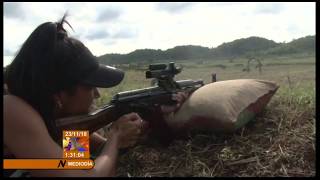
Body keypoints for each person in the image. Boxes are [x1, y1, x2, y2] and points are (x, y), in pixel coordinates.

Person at [3, 14, 188, 177]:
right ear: (59, 95)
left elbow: (80, 162)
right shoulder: (10, 109)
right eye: (91, 87)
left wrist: (154, 116)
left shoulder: (62, 121)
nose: (98, 94)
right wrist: (115, 138)